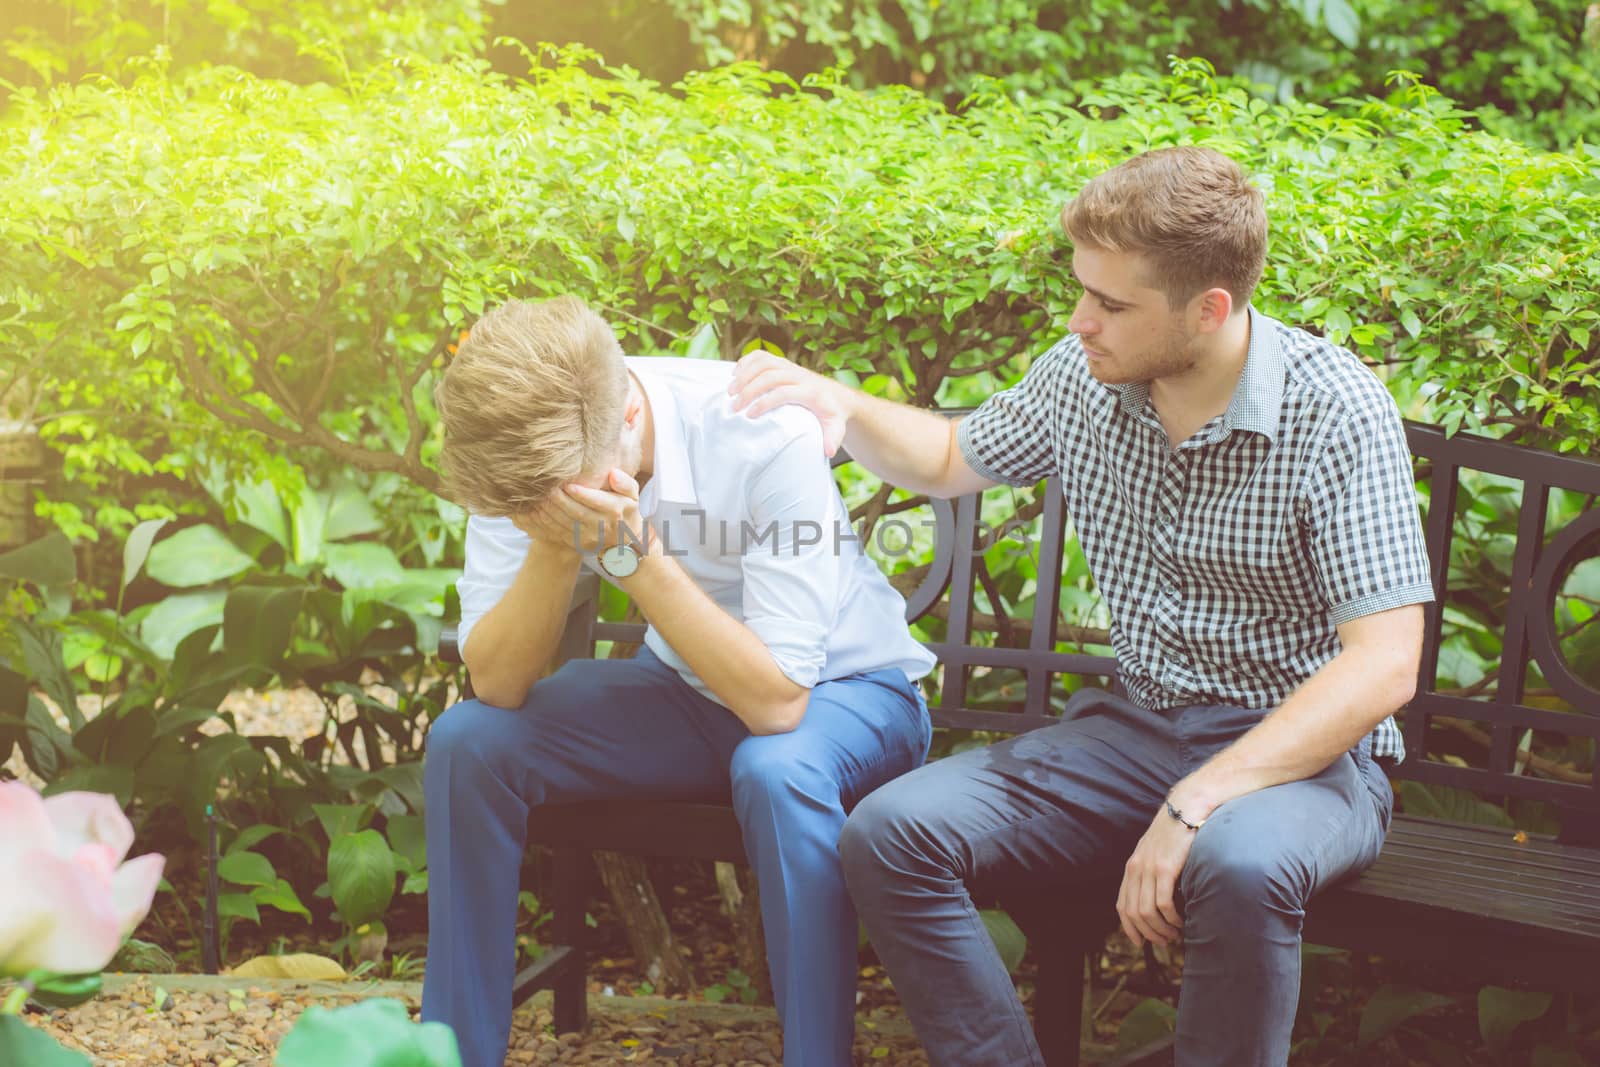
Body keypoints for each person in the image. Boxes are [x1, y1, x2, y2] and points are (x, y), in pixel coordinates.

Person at [728, 145, 1432, 1067]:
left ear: (1209, 309)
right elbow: (948, 457)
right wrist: (837, 402)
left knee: (1243, 863)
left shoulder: (1334, 411)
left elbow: (1384, 663)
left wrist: (1198, 799)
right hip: (1133, 733)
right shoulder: (1082, 378)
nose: (1079, 321)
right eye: (1082, 292)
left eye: (1111, 303)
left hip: (1299, 760)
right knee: (892, 834)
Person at [420, 295, 936, 1067]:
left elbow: (777, 700)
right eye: (527, 504)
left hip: (849, 691)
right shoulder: (526, 449)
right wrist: (554, 546)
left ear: (627, 411)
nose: (541, 508)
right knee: (468, 741)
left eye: (556, 492)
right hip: (688, 692)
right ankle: (453, 1055)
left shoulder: (762, 431)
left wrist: (635, 558)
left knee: (777, 767)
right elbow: (495, 680)